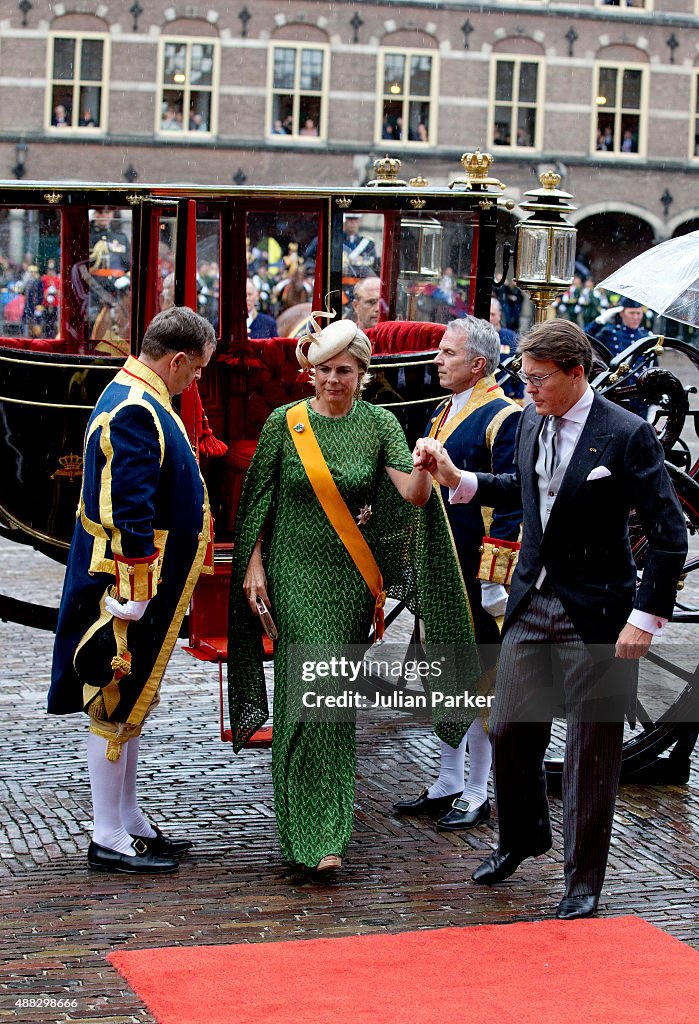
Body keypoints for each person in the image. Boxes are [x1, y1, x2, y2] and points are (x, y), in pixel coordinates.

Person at [421, 320, 687, 919]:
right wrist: (458, 481)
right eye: (525, 376)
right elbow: (525, 486)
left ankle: (583, 882)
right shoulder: (531, 419)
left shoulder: (627, 434)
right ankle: (522, 837)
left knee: (593, 751)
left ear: (576, 372)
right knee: (510, 727)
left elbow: (670, 535)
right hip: (531, 600)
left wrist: (645, 617)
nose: (529, 388)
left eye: (540, 379)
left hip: (599, 609)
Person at [227, 314, 482, 873]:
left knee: (328, 696)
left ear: (362, 373)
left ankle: (324, 826)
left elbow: (413, 498)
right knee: (307, 685)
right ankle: (312, 835)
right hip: (293, 568)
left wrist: (425, 466)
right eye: (323, 370)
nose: (333, 380)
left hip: (349, 577)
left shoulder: (379, 424)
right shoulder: (283, 423)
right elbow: (256, 505)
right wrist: (252, 568)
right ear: (310, 373)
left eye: (344, 370)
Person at [49, 307, 217, 874]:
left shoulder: (139, 397)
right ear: (176, 360)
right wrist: (137, 588)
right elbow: (128, 508)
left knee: (131, 703)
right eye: (194, 371)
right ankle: (107, 833)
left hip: (137, 579)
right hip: (125, 583)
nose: (194, 381)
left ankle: (127, 820)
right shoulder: (137, 409)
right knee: (112, 699)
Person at [394, 317, 521, 830]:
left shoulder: (504, 416)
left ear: (478, 364)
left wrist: (495, 573)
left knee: (478, 678)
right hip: (439, 562)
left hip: (473, 566)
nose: (437, 360)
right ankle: (448, 779)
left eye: (447, 353)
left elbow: (512, 495)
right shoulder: (446, 410)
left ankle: (477, 789)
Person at [586, 296, 650, 359]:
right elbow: (585, 341)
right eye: (631, 313)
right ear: (622, 313)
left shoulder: (647, 336)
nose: (635, 317)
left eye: (638, 313)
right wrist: (599, 321)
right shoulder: (609, 332)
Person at [490, 296, 524, 400]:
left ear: (499, 315)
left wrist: (518, 397)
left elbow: (519, 368)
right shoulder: (472, 337)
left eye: (492, 314)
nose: (489, 318)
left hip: (506, 395)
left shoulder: (511, 337)